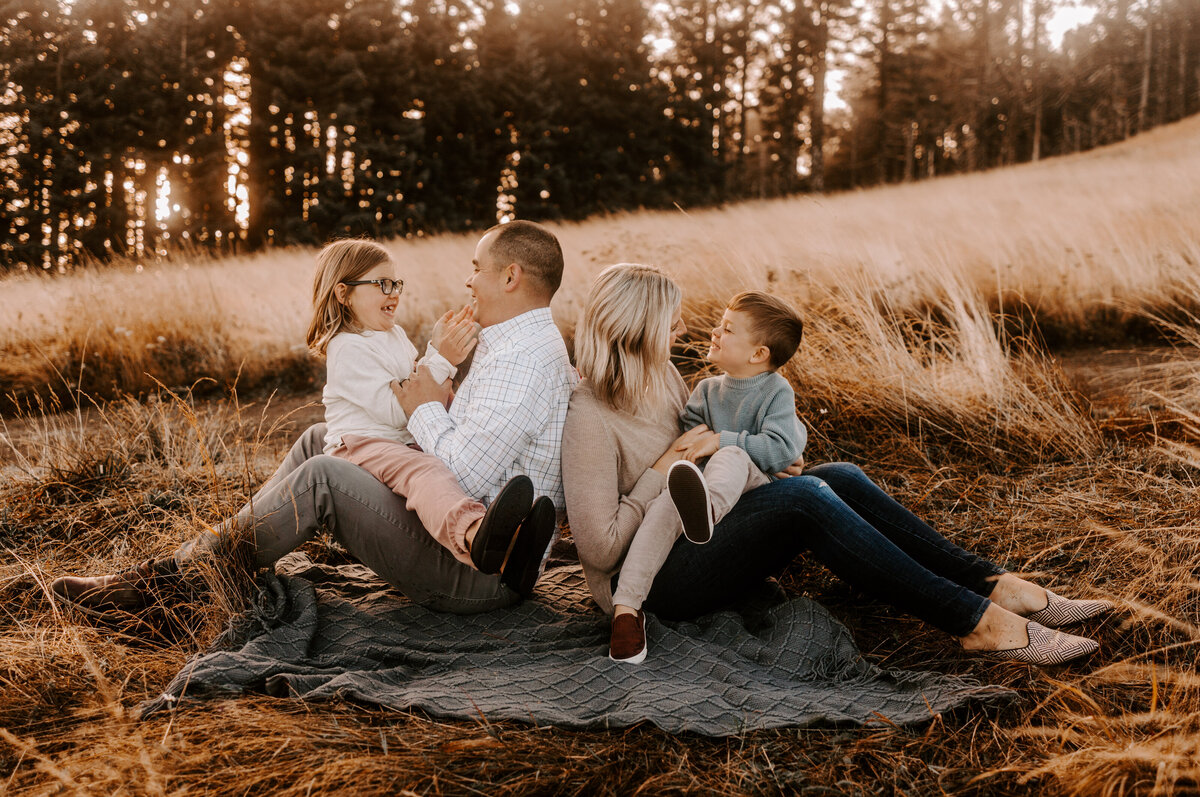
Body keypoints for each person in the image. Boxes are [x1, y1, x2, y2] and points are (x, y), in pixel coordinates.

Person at [563, 263, 1114, 667]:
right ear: (637, 328)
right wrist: (662, 469)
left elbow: (704, 452)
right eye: (672, 324)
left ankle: (994, 584)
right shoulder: (589, 416)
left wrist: (758, 470)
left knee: (839, 476)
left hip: (700, 530)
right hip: (648, 582)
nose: (682, 334)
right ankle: (976, 622)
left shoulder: (661, 378)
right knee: (805, 502)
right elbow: (598, 549)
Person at [51, 220, 578, 616]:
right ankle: (198, 568)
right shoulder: (509, 342)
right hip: (454, 533)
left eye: (476, 269)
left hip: (480, 566)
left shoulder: (524, 361)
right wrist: (427, 390)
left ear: (510, 276)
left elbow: (466, 475)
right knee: (321, 439)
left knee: (327, 475)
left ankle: (160, 589)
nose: (468, 282)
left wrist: (420, 402)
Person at [605, 290, 808, 663]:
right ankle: (626, 613)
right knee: (667, 501)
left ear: (758, 354)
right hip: (705, 491)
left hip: (757, 496)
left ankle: (706, 510)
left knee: (730, 455)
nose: (715, 331)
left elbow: (783, 448)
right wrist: (698, 453)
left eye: (728, 329)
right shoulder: (706, 391)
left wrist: (721, 440)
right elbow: (690, 447)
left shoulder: (776, 391)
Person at [310, 238, 535, 575]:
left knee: (455, 454)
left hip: (396, 441)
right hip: (362, 447)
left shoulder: (393, 334)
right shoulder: (347, 348)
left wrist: (438, 356)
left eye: (396, 283)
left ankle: (511, 534)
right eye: (382, 284)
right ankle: (474, 534)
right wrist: (441, 358)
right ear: (344, 294)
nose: (394, 293)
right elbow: (400, 408)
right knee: (427, 472)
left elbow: (417, 382)